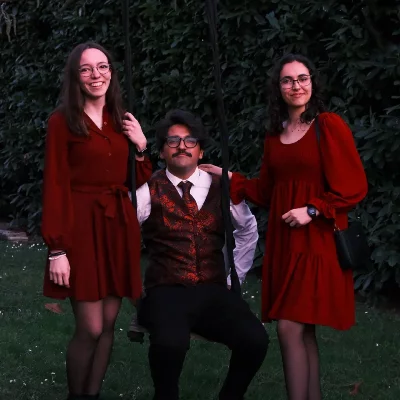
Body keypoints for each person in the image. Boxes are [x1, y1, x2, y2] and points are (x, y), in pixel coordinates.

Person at [200, 54, 368, 400]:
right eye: (288, 80)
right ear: (278, 88)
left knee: (290, 328)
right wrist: (230, 178)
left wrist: (313, 209)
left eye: (302, 78)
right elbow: (267, 191)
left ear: (313, 82)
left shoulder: (328, 126)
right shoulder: (275, 135)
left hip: (317, 241)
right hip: (286, 243)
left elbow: (353, 187)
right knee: (303, 331)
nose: (296, 86)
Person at [41, 42, 152, 400]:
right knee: (89, 327)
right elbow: (55, 185)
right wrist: (57, 249)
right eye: (86, 69)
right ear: (76, 76)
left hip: (116, 227)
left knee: (107, 326)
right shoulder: (62, 122)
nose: (96, 75)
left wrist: (140, 147)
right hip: (81, 227)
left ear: (111, 73)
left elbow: (136, 179)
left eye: (102, 67)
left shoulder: (121, 120)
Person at [134, 109, 268, 400]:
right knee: (170, 343)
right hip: (166, 289)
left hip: (213, 290)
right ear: (162, 151)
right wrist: (132, 286)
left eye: (190, 140)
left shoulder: (221, 188)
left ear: (201, 150)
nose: (182, 146)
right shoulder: (148, 190)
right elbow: (123, 233)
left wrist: (234, 277)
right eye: (173, 141)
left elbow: (247, 230)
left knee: (255, 339)